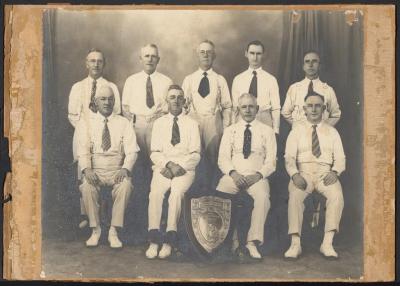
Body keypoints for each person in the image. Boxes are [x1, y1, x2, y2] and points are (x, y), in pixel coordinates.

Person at [75, 84, 139, 248]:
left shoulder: (124, 123)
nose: (107, 102)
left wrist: (125, 169)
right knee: (87, 187)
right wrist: (87, 169)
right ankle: (95, 230)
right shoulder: (87, 123)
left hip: (116, 169)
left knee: (125, 186)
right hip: (95, 170)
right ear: (95, 102)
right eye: (103, 99)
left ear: (114, 102)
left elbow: (132, 151)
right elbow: (82, 149)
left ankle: (113, 230)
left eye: (110, 99)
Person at [284, 91, 345, 259]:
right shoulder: (296, 131)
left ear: (324, 108)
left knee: (337, 196)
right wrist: (294, 174)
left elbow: (340, 158)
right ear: (304, 109)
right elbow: (289, 158)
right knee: (295, 196)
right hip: (303, 172)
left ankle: (327, 243)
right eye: (310, 106)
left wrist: (335, 171)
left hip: (325, 173)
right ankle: (295, 244)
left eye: (318, 105)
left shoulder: (332, 132)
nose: (314, 109)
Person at [216, 93, 277, 259]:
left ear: (257, 109)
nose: (248, 110)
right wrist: (234, 174)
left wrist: (258, 175)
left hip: (257, 177)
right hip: (233, 175)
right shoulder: (230, 131)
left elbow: (271, 162)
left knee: (263, 197)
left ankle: (252, 242)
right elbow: (222, 159)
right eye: (244, 107)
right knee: (220, 193)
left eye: (251, 106)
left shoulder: (267, 131)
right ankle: (232, 240)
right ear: (238, 109)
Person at [145, 85, 201, 259]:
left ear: (184, 101)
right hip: (163, 168)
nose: (176, 100)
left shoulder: (192, 124)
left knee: (176, 194)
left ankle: (169, 239)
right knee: (155, 193)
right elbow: (154, 152)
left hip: (185, 170)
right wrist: (168, 165)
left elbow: (195, 154)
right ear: (166, 100)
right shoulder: (159, 123)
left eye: (179, 97)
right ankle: (154, 240)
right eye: (172, 97)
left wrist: (178, 167)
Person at [68, 49, 121, 228]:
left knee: (105, 168)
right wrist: (86, 130)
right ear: (86, 63)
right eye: (92, 61)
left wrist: (100, 129)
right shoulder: (78, 87)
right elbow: (73, 115)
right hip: (82, 131)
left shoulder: (111, 87)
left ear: (104, 64)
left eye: (99, 61)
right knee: (84, 171)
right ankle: (86, 215)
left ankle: (104, 212)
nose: (96, 64)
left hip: (106, 132)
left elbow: (116, 111)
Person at [182, 40, 232, 189]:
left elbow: (227, 106)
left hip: (213, 122)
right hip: (194, 121)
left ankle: (212, 191)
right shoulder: (189, 79)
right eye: (202, 52)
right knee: (194, 156)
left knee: (213, 158)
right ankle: (195, 191)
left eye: (209, 52)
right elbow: (183, 105)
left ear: (214, 55)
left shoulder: (219, 80)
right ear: (197, 55)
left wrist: (225, 128)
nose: (205, 55)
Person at [122, 44, 173, 161]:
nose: (150, 59)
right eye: (146, 56)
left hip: (158, 125)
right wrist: (135, 123)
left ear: (158, 60)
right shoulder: (131, 81)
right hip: (136, 126)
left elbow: (169, 108)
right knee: (137, 162)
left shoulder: (167, 81)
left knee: (156, 161)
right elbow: (125, 108)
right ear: (140, 59)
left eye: (153, 56)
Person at [281, 50, 341, 128]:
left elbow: (336, 115)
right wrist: (297, 127)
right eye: (307, 62)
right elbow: (285, 112)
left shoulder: (328, 90)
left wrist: (324, 128)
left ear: (319, 66)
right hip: (300, 135)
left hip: (321, 135)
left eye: (314, 61)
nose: (310, 65)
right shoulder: (294, 88)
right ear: (303, 66)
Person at [231, 40, 281, 135]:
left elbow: (276, 108)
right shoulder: (238, 79)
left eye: (258, 54)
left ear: (263, 55)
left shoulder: (271, 80)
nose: (255, 57)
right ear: (246, 54)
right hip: (243, 120)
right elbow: (235, 108)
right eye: (252, 53)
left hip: (264, 119)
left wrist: (276, 130)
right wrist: (233, 127)